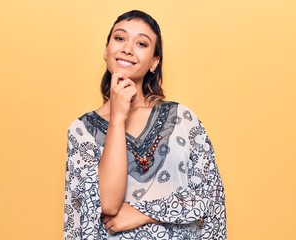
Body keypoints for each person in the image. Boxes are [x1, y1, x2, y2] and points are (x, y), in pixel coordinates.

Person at [64, 10, 226, 240]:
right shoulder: (81, 132)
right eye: (119, 38)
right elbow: (107, 205)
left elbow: (211, 198)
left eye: (141, 43)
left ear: (154, 62)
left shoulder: (182, 119)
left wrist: (144, 212)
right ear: (106, 50)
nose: (127, 48)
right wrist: (118, 118)